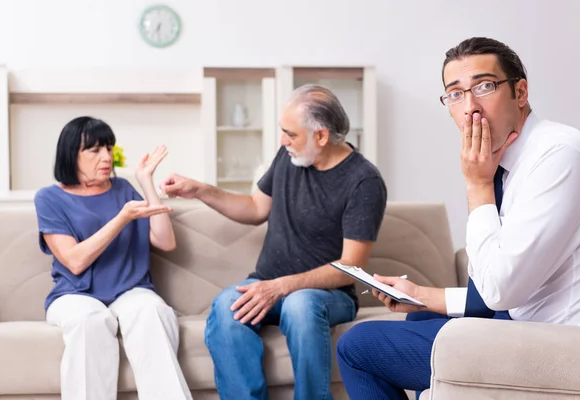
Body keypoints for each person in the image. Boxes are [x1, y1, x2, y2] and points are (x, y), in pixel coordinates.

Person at [336, 36, 580, 399]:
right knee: (419, 317)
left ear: (521, 92)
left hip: (551, 340)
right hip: (520, 316)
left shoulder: (558, 156)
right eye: (455, 93)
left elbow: (500, 292)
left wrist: (478, 186)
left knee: (357, 346)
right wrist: (419, 294)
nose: (470, 108)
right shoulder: (505, 161)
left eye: (484, 86)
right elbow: (495, 286)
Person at [160, 84, 387, 400]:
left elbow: (352, 266)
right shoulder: (289, 156)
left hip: (330, 296)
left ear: (321, 136)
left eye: (290, 134)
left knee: (300, 304)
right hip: (268, 283)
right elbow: (256, 208)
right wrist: (200, 190)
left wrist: (281, 287)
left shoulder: (363, 181)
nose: (283, 141)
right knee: (227, 308)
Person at [34, 116, 193, 400]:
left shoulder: (123, 190)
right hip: (74, 294)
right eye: (95, 150)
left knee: (152, 312)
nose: (106, 156)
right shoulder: (49, 198)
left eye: (108, 147)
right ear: (72, 154)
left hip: (131, 290)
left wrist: (146, 181)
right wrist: (122, 218)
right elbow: (74, 261)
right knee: (88, 321)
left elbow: (165, 242)